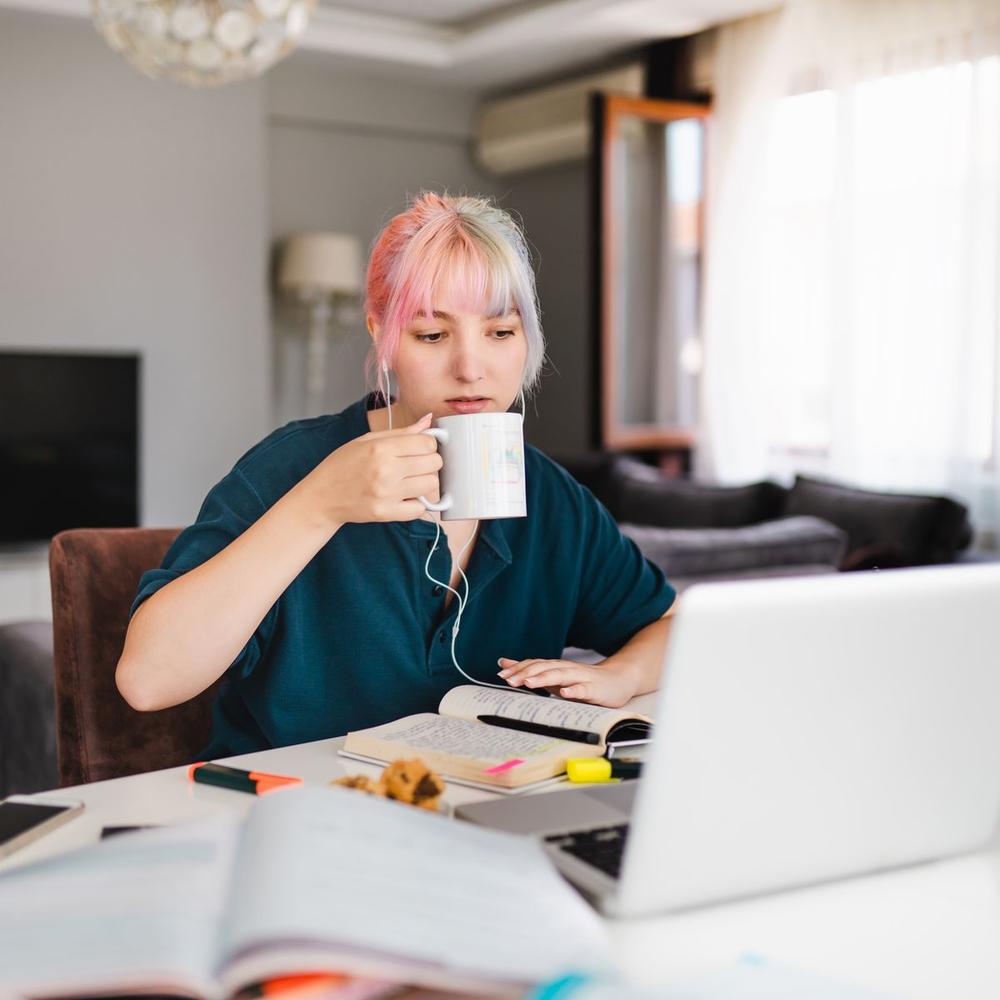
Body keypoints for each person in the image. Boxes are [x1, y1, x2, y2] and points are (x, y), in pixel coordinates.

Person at [116, 192, 676, 758]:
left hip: (477, 812)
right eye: (432, 336)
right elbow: (148, 680)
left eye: (501, 333)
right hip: (301, 808)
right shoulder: (290, 469)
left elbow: (673, 626)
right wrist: (320, 505)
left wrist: (621, 676)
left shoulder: (551, 498)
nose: (470, 368)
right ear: (381, 334)